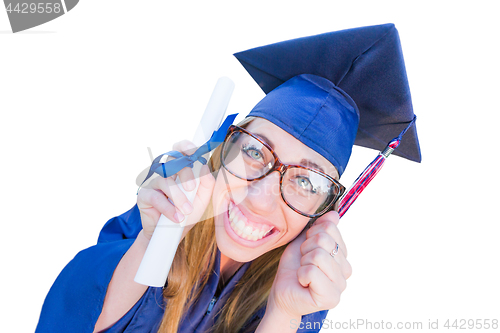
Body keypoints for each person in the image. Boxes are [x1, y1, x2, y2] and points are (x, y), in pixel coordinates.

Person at [36, 23, 420, 333]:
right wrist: (150, 245)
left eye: (306, 182)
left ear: (324, 212)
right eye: (255, 151)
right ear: (224, 146)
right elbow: (70, 314)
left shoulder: (304, 291)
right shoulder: (161, 213)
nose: (260, 197)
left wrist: (283, 313)